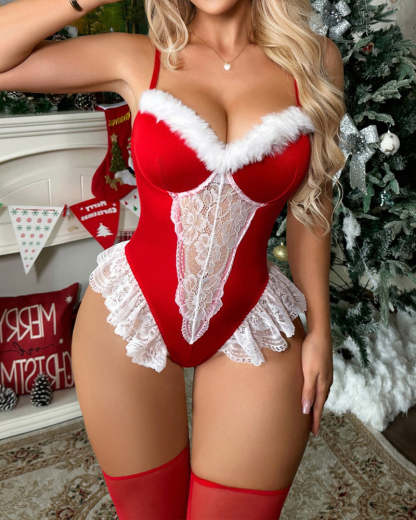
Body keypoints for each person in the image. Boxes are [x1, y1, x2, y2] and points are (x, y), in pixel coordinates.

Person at [0, 0, 345, 517]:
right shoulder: (139, 57)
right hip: (128, 317)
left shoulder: (314, 59)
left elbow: (312, 204)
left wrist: (320, 330)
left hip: (252, 319)